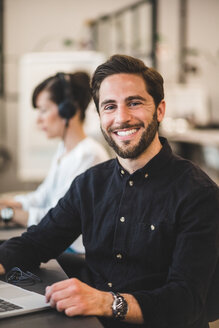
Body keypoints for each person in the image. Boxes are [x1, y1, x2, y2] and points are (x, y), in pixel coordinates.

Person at [0, 54, 218, 328]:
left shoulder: (198, 193)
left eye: (134, 103)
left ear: (159, 110)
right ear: (100, 116)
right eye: (109, 106)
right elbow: (37, 241)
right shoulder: (90, 184)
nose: (121, 118)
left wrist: (106, 301)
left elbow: (185, 301)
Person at [0, 71, 109, 253]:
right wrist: (10, 203)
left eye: (44, 110)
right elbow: (42, 196)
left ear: (68, 109)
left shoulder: (89, 155)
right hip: (60, 244)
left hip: (74, 251)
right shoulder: (65, 150)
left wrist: (9, 214)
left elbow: (59, 220)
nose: (39, 120)